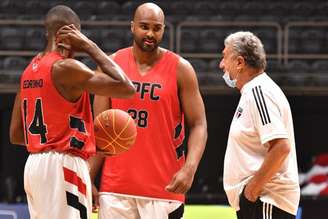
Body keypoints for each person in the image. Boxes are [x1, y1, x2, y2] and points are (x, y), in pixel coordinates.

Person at [9, 5, 135, 219]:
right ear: (68, 34)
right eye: (78, 33)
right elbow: (126, 87)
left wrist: (57, 135)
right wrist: (90, 46)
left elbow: (16, 135)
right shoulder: (67, 68)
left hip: (34, 167)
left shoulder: (29, 70)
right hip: (64, 163)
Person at [89, 2, 207, 219]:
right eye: (144, 26)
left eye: (156, 28)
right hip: (115, 189)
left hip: (164, 189)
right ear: (132, 26)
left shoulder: (181, 69)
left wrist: (189, 169)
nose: (150, 33)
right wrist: (88, 177)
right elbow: (100, 131)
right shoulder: (111, 65)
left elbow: (199, 124)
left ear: (163, 29)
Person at [220, 31, 300, 219]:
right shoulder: (253, 92)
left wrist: (250, 193)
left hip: (266, 201)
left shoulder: (259, 91)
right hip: (260, 202)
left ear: (239, 62)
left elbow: (281, 147)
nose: (221, 64)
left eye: (224, 57)